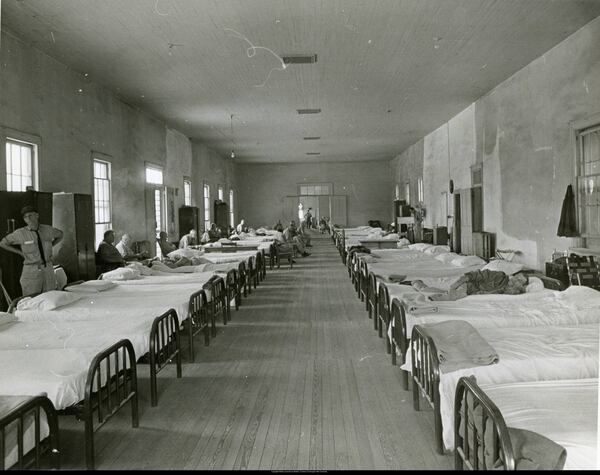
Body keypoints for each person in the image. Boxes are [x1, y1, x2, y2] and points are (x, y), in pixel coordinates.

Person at [0, 205, 63, 297]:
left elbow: (60, 235)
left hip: (48, 269)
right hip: (31, 270)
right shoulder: (20, 233)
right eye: (25, 217)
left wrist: (51, 245)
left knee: (50, 296)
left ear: (37, 215)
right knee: (31, 298)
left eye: (30, 215)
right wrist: (19, 252)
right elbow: (3, 243)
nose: (28, 218)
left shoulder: (48, 230)